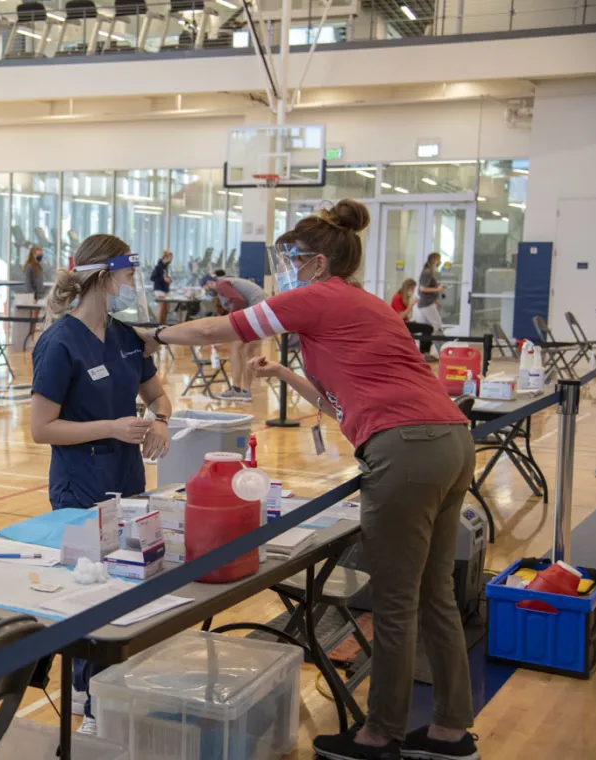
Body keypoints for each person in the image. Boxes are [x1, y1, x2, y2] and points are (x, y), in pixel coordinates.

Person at [141, 200, 478, 760]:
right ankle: (450, 729)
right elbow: (335, 399)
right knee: (433, 593)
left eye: (294, 258)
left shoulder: (314, 297)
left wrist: (157, 334)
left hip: (405, 450)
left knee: (394, 601)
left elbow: (221, 325)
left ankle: (381, 732)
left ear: (318, 262)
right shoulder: (364, 305)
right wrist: (282, 373)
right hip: (449, 440)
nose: (289, 267)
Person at [30, 233, 172, 736]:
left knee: (127, 589)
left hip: (128, 481)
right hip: (80, 485)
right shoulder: (59, 342)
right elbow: (41, 428)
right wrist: (111, 427)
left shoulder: (127, 337)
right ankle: (88, 697)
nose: (134, 279)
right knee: (90, 594)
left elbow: (158, 395)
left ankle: (101, 689)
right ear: (102, 274)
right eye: (128, 270)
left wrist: (159, 421)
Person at [211, 276, 267, 402]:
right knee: (248, 351)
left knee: (236, 346)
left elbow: (239, 300)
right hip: (264, 308)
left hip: (256, 308)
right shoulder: (233, 284)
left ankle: (236, 389)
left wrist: (229, 322)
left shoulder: (221, 284)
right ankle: (246, 391)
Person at [392, 278, 435, 360]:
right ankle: (424, 353)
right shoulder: (397, 298)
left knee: (427, 327)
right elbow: (400, 317)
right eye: (412, 289)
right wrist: (412, 304)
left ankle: (424, 352)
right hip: (399, 324)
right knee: (428, 328)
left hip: (403, 323)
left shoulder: (402, 297)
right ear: (408, 288)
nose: (412, 291)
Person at [415, 252, 445, 335]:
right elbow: (422, 288)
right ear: (435, 261)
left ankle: (426, 346)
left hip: (428, 303)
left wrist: (435, 300)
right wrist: (437, 289)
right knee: (437, 325)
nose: (440, 262)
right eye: (439, 260)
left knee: (427, 326)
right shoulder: (427, 272)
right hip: (426, 304)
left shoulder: (430, 272)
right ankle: (439, 344)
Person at [151, 249, 173, 324]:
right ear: (166, 258)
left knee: (166, 309)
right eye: (170, 258)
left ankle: (163, 324)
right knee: (162, 306)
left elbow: (165, 278)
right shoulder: (158, 267)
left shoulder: (165, 267)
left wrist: (168, 279)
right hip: (159, 289)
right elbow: (153, 278)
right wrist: (163, 279)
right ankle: (159, 325)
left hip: (165, 290)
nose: (171, 260)